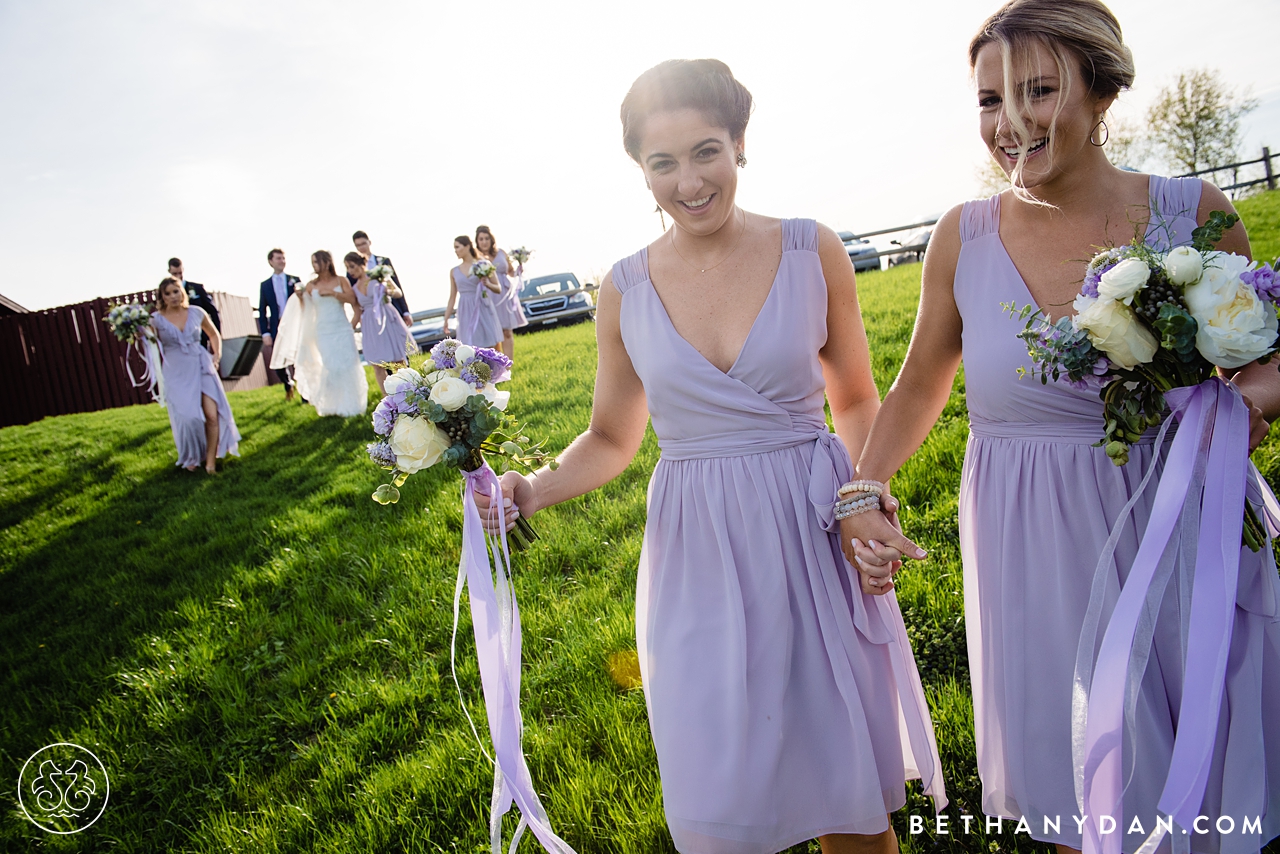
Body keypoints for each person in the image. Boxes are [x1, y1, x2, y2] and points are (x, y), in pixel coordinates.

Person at [477, 59, 944, 854]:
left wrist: (867, 493)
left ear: (739, 145)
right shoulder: (624, 287)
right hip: (699, 545)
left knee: (851, 804)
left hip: (813, 522)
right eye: (663, 163)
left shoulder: (810, 248)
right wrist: (530, 490)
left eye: (706, 152)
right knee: (717, 797)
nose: (689, 181)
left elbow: (857, 397)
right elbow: (613, 437)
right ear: (640, 171)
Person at [843, 2, 1280, 851]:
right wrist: (865, 487)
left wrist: (1244, 408)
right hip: (1034, 548)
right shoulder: (960, 238)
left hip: (1178, 522)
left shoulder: (1190, 212)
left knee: (1210, 765)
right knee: (1076, 784)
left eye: (1038, 90)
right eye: (988, 99)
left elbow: (1264, 355)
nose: (1010, 122)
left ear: (1103, 92)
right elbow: (918, 383)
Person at [150, 276, 240, 473]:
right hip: (176, 371)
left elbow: (213, 333)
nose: (173, 296)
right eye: (168, 293)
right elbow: (148, 342)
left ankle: (210, 463)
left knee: (212, 415)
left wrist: (216, 356)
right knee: (189, 417)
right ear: (162, 297)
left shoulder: (196, 312)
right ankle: (192, 455)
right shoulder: (155, 320)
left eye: (176, 291)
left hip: (201, 364)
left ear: (182, 292)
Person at [270, 250, 368, 417]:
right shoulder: (311, 285)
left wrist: (333, 293)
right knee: (331, 367)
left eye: (316, 262)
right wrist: (301, 297)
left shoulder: (341, 280)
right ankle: (333, 405)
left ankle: (353, 405)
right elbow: (307, 310)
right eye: (312, 262)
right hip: (323, 331)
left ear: (326, 262)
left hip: (342, 329)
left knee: (348, 365)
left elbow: (352, 300)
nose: (314, 266)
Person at [344, 251, 409, 394]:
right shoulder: (354, 288)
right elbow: (357, 312)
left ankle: (408, 392)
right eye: (347, 268)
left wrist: (387, 290)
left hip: (387, 318)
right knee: (377, 364)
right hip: (369, 325)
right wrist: (347, 331)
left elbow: (398, 292)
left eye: (352, 266)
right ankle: (387, 399)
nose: (350, 271)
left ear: (362, 264)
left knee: (397, 361)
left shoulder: (378, 277)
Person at [475, 225, 527, 359]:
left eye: (486, 238)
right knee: (492, 334)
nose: (484, 242)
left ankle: (508, 364)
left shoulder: (501, 253)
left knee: (507, 331)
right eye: (481, 239)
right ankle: (496, 366)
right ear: (477, 241)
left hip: (503, 294)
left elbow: (510, 271)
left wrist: (518, 270)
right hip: (487, 293)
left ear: (491, 240)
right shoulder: (476, 257)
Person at [442, 236, 503, 349]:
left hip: (482, 305)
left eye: (457, 247)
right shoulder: (454, 271)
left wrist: (487, 284)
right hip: (465, 309)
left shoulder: (484, 264)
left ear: (467, 246)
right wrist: (446, 319)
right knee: (470, 347)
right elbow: (452, 297)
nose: (455, 251)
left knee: (490, 344)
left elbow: (498, 288)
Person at [258, 247, 302, 400]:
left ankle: (304, 391)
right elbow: (262, 311)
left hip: (296, 324)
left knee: (299, 357)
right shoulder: (265, 285)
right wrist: (265, 332)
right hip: (277, 325)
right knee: (279, 361)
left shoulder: (294, 280)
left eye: (283, 258)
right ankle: (288, 383)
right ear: (271, 261)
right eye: (278, 258)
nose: (282, 261)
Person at [351, 230, 412, 325]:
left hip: (391, 308)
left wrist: (405, 311)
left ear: (369, 242)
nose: (362, 247)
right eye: (358, 245)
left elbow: (396, 284)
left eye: (363, 243)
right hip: (370, 315)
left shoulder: (383, 261)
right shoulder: (352, 270)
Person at [167, 257, 222, 349]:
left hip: (200, 339)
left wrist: (215, 337)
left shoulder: (197, 288)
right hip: (179, 342)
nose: (178, 276)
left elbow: (213, 311)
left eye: (180, 273)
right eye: (174, 274)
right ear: (169, 272)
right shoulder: (167, 294)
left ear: (183, 270)